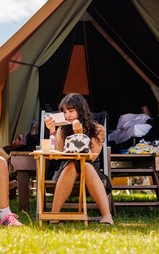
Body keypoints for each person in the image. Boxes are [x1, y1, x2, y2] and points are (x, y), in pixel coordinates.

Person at [45, 93, 113, 225]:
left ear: (80, 111)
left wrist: (79, 135)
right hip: (66, 170)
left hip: (90, 171)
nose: (67, 115)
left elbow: (92, 156)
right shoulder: (62, 130)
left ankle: (106, 215)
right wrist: (53, 131)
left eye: (71, 111)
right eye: (64, 112)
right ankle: (55, 215)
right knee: (71, 164)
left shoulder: (97, 129)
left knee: (85, 165)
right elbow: (58, 154)